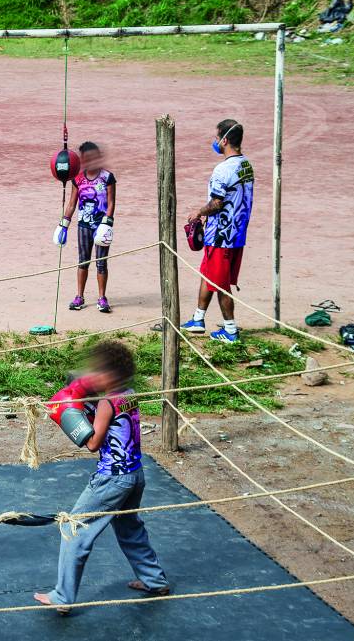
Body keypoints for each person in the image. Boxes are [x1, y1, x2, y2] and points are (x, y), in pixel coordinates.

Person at [34, 340, 170, 612]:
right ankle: (155, 581)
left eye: (98, 372)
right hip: (135, 474)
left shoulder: (107, 402)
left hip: (112, 478)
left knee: (72, 527)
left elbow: (94, 443)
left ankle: (62, 597)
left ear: (111, 375)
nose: (92, 375)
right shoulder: (129, 393)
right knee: (129, 528)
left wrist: (70, 417)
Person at [181, 120, 255, 343]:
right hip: (237, 233)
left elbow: (216, 203)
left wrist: (198, 213)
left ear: (224, 140)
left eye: (216, 138)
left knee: (221, 283)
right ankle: (198, 319)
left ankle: (231, 331)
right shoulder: (246, 165)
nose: (215, 142)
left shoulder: (223, 169)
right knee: (207, 274)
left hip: (221, 235)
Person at [53, 141, 117, 312]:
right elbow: (72, 203)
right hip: (84, 226)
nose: (91, 161)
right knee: (83, 261)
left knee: (101, 262)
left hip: (101, 226)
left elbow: (111, 203)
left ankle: (102, 297)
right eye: (87, 158)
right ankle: (79, 296)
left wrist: (107, 223)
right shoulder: (78, 179)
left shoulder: (107, 177)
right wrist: (63, 224)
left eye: (94, 157)